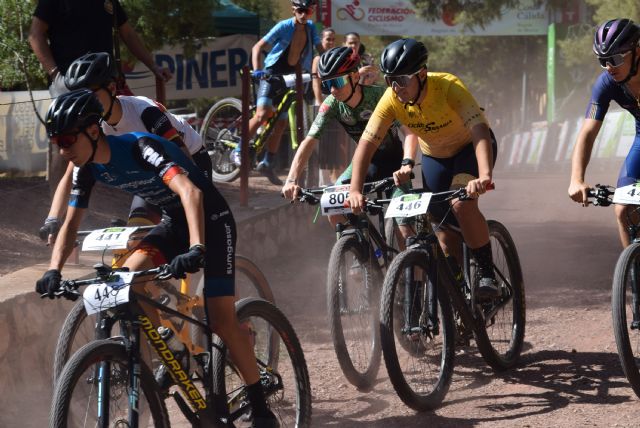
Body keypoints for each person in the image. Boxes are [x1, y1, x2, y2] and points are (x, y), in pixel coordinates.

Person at [35, 89, 278, 427]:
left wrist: (197, 248)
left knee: (221, 320)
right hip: (172, 221)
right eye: (55, 141)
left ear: (93, 131)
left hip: (209, 220)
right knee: (127, 283)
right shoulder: (85, 169)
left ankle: (260, 405)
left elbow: (191, 192)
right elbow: (70, 222)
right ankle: (176, 354)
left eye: (65, 139)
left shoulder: (140, 147)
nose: (62, 149)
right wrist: (53, 270)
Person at [346, 38, 500, 298]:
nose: (396, 88)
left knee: (461, 204)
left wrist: (484, 176)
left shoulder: (448, 86)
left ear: (422, 74)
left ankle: (487, 274)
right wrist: (355, 189)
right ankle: (459, 293)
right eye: (389, 80)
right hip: (435, 156)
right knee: (441, 225)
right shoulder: (391, 99)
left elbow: (479, 130)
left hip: (468, 149)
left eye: (402, 80)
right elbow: (366, 144)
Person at [39, 52, 209, 245]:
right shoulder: (93, 127)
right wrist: (53, 218)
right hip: (151, 171)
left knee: (189, 228)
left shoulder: (144, 111)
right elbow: (71, 175)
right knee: (136, 235)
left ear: (111, 88)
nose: (83, 103)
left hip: (191, 157)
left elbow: (182, 156)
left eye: (90, 94)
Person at [28, 0, 172, 196]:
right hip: (68, 84)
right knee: (66, 142)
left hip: (104, 83)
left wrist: (153, 66)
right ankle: (56, 216)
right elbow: (35, 35)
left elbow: (127, 33)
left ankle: (127, 208)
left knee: (123, 136)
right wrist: (55, 75)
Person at [282, 46, 418, 242]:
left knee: (404, 230)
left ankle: (411, 269)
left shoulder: (380, 96)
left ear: (355, 77)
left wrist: (407, 163)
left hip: (395, 163)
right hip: (364, 163)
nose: (334, 90)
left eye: (337, 81)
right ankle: (359, 251)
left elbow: (409, 133)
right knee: (334, 210)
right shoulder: (332, 104)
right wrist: (291, 179)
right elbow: (309, 141)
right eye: (327, 84)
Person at [231, 0, 324, 185]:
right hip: (271, 74)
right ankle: (239, 149)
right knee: (263, 114)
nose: (304, 14)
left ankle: (267, 162)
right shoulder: (283, 26)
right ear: (293, 10)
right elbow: (258, 47)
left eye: (307, 11)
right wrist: (258, 71)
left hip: (292, 77)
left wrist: (330, 63)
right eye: (300, 10)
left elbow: (321, 51)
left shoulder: (311, 28)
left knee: (280, 124)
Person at [569, 18, 640, 248]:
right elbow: (587, 133)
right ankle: (636, 278)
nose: (610, 66)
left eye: (616, 58)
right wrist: (576, 179)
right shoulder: (606, 84)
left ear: (637, 51)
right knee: (623, 210)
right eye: (603, 60)